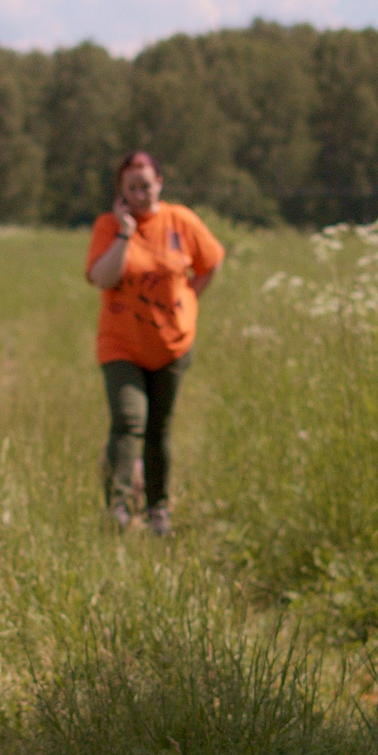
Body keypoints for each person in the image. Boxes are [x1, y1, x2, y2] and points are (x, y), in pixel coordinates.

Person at [85, 151, 223, 536]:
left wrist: (189, 298)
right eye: (131, 187)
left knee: (159, 428)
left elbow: (210, 262)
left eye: (145, 185)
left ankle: (157, 509)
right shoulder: (108, 226)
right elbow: (101, 277)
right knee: (129, 421)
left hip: (171, 344)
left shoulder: (181, 221)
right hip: (121, 344)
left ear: (159, 182)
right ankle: (117, 508)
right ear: (121, 191)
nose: (140, 193)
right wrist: (125, 232)